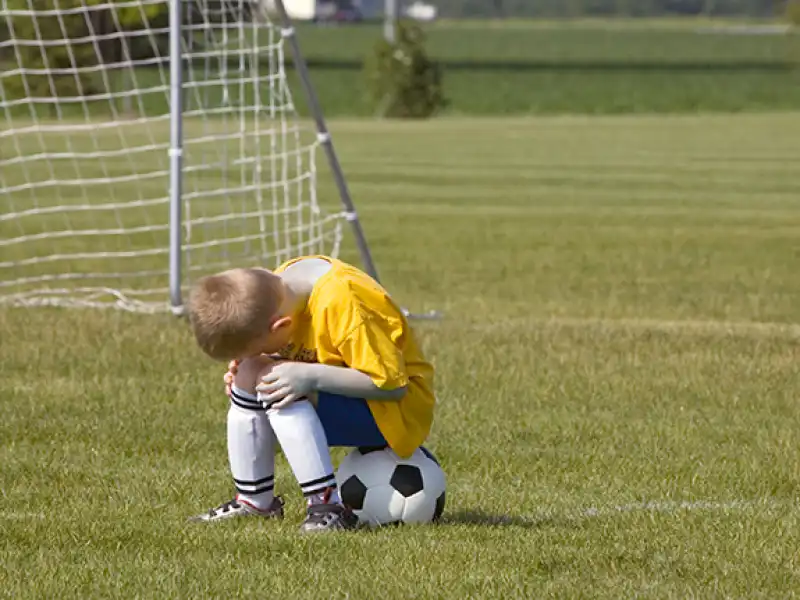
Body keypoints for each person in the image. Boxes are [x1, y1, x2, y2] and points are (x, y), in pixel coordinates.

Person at [185, 255, 435, 532]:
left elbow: (392, 386)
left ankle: (327, 506)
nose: (257, 356)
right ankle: (254, 502)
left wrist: (307, 375)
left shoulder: (346, 302)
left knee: (280, 383)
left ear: (279, 326)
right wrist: (248, 368)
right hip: (347, 396)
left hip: (395, 412)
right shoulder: (281, 288)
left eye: (255, 349)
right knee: (252, 374)